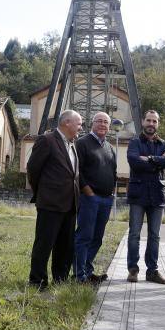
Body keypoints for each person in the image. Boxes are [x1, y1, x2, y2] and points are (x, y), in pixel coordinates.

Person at [27, 109, 83, 290]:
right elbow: (33, 169)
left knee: (65, 246)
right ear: (67, 123)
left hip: (70, 204)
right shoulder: (47, 140)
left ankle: (60, 279)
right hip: (50, 203)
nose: (81, 128)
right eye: (79, 124)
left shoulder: (72, 144)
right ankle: (38, 281)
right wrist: (43, 192)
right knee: (44, 244)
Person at [126, 110, 165, 284]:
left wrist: (149, 159)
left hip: (157, 195)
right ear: (143, 121)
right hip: (138, 195)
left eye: (155, 121)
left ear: (158, 124)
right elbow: (134, 161)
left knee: (154, 235)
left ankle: (152, 271)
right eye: (149, 120)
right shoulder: (134, 142)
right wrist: (158, 161)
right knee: (134, 234)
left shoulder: (163, 143)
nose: (151, 124)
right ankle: (133, 270)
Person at [73, 112, 117, 284]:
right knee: (84, 236)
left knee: (97, 238)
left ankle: (87, 270)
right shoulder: (82, 143)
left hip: (106, 199)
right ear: (92, 123)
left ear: (109, 126)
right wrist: (88, 191)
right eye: (99, 121)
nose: (102, 125)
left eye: (106, 122)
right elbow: (77, 170)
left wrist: (112, 192)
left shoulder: (110, 147)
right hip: (89, 198)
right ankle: (78, 275)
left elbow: (113, 171)